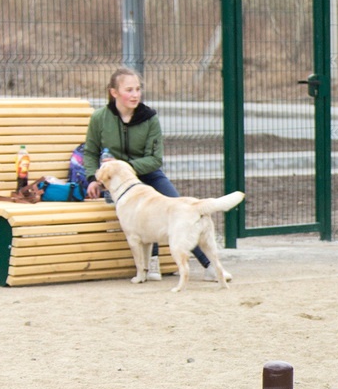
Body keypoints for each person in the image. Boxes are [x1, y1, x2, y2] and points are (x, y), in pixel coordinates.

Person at [83, 67, 231, 283]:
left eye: (138, 89)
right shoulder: (99, 118)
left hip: (147, 174)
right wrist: (92, 179)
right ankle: (151, 265)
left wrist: (124, 166)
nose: (135, 95)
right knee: (142, 216)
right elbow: (90, 152)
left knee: (183, 211)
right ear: (114, 92)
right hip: (119, 184)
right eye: (129, 90)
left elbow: (155, 159)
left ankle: (209, 266)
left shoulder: (149, 118)